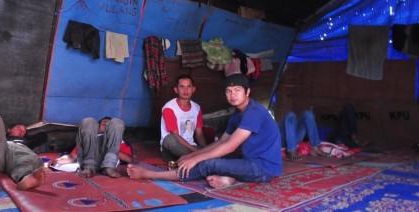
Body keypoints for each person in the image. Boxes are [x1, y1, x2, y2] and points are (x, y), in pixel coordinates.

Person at [128, 74, 282, 189]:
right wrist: (192, 155)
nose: (232, 95)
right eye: (228, 91)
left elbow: (230, 146)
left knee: (209, 164)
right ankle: (229, 178)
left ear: (247, 92)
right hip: (250, 161)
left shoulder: (253, 112)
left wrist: (196, 159)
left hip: (263, 169)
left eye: (237, 90)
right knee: (217, 156)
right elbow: (222, 141)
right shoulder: (237, 114)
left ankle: (149, 174)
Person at [0, 114, 47, 190]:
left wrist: (27, 136)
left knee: (29, 157)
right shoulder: (1, 138)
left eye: (24, 129)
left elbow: (43, 135)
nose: (21, 129)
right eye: (18, 127)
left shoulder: (27, 141)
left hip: (18, 157)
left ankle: (26, 178)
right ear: (8, 130)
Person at [49, 116, 131, 178]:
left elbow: (129, 159)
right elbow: (73, 155)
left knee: (117, 121)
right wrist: (58, 161)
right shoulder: (88, 137)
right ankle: (89, 168)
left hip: (109, 161)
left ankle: (108, 167)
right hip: (87, 161)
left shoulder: (118, 140)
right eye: (104, 123)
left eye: (109, 125)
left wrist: (110, 147)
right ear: (97, 127)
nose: (106, 125)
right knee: (88, 121)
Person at [160, 74, 208, 163]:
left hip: (191, 147)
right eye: (182, 87)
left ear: (193, 89)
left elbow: (199, 134)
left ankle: (197, 160)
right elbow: (175, 135)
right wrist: (196, 151)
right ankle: (197, 160)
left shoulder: (196, 108)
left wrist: (206, 150)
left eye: (188, 87)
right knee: (169, 139)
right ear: (176, 90)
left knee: (214, 147)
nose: (185, 90)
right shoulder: (169, 108)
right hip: (173, 149)